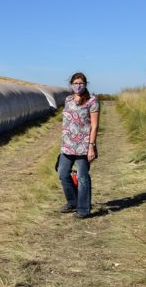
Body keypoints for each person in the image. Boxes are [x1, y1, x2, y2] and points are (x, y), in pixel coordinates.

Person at [58, 72, 100, 219]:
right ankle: (73, 201)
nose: (78, 86)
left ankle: (83, 209)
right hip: (68, 144)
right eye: (75, 83)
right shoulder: (68, 100)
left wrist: (91, 146)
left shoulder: (92, 101)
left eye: (80, 83)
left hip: (84, 145)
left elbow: (94, 126)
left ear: (85, 84)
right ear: (71, 84)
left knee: (82, 177)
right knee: (62, 174)